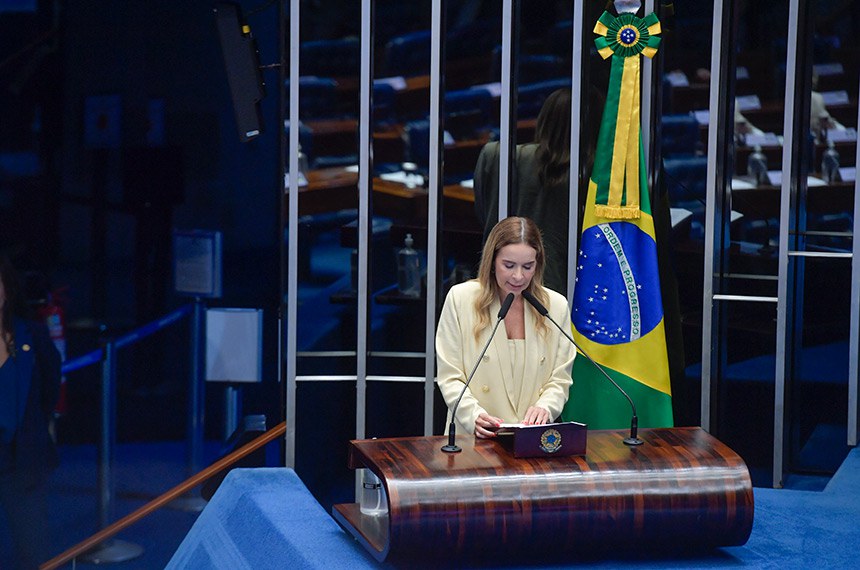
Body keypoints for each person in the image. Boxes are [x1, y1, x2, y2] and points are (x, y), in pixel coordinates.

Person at [436, 217, 576, 438]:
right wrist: (473, 415)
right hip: (475, 437)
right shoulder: (460, 299)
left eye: (527, 266)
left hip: (531, 439)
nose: (518, 276)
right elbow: (450, 376)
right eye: (509, 265)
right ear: (492, 261)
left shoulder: (555, 306)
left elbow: (560, 379)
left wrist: (546, 408)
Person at [0, 254, 61, 570]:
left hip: (23, 464)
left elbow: (48, 392)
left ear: (6, 289)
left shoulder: (32, 336)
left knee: (35, 554)